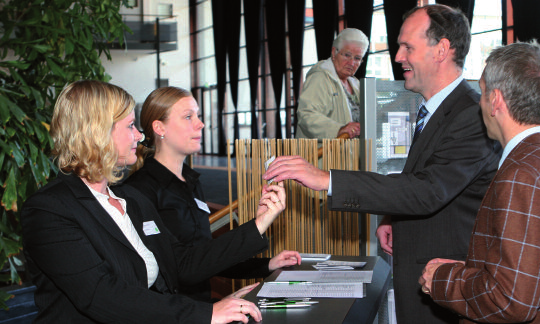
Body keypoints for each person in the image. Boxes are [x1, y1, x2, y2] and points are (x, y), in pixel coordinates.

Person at [263, 4, 501, 323]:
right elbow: (425, 175)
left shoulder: (469, 116)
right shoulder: (438, 110)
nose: (398, 57)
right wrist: (393, 216)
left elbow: (429, 190)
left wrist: (327, 180)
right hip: (423, 272)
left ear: (442, 49)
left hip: (444, 280)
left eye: (407, 47)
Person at [21, 80, 287, 323]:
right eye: (129, 126)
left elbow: (181, 264)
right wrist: (207, 313)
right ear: (97, 133)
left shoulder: (131, 199)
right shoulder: (49, 209)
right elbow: (101, 296)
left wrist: (260, 222)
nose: (139, 135)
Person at [124, 86, 301, 302]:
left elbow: (205, 257)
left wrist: (267, 264)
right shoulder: (138, 191)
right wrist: (258, 225)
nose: (201, 124)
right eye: (188, 117)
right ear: (160, 128)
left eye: (198, 115)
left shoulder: (190, 183)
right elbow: (182, 268)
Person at [419, 42, 540, 323]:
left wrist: (443, 279)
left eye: (483, 92)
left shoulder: (520, 174)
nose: (479, 102)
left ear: (496, 100)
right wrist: (476, 271)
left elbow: (511, 301)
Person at [296, 28, 369, 140]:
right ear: (334, 53)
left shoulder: (356, 84)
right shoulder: (319, 78)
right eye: (347, 55)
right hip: (323, 156)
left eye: (357, 58)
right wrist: (338, 129)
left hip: (351, 156)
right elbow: (306, 116)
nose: (351, 63)